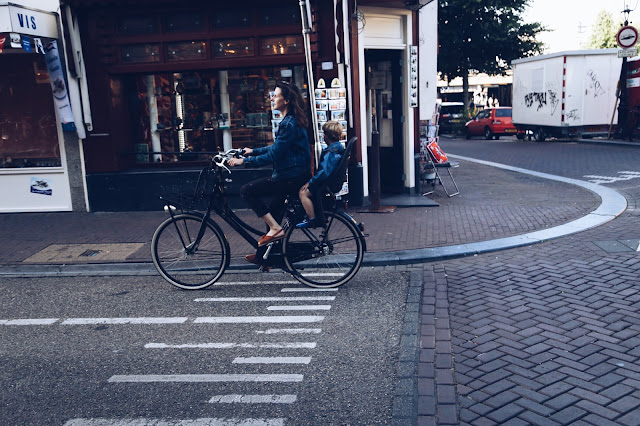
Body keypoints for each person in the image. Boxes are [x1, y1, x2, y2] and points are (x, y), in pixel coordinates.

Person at [228, 81, 311, 251]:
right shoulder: (290, 121)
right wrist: (252, 151)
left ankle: (275, 229)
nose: (272, 98)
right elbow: (276, 148)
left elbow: (274, 155)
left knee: (247, 190)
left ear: (286, 100)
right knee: (272, 213)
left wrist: (244, 161)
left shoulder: (288, 124)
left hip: (290, 177)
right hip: (294, 174)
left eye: (275, 95)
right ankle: (266, 256)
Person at [296, 121, 345, 228]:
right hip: (331, 182)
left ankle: (312, 219)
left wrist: (310, 182)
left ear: (326, 136)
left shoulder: (331, 153)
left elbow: (324, 172)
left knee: (302, 193)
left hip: (326, 184)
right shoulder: (338, 149)